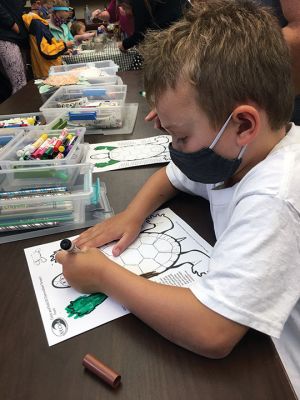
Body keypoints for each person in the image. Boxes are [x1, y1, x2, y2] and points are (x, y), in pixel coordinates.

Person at [56, 1, 300, 397]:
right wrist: (132, 214)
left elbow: (212, 331)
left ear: (243, 124)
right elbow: (170, 177)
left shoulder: (276, 195)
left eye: (182, 137)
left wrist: (103, 274)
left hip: (280, 370)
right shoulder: (242, 155)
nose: (176, 149)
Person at [115, 0, 188, 51]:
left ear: (125, 4)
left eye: (124, 8)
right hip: (185, 24)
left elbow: (140, 34)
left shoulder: (137, 2)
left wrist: (123, 45)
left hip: (173, 33)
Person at [22, 10, 68, 78]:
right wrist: (64, 45)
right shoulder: (37, 25)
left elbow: (50, 44)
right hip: (47, 72)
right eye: (49, 8)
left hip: (50, 69)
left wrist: (62, 50)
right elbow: (46, 52)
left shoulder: (41, 24)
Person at [0, 0, 28, 95]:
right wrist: (12, 24)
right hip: (7, 35)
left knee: (21, 83)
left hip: (18, 37)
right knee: (19, 84)